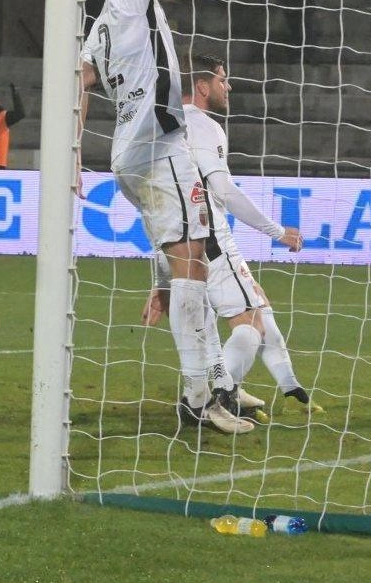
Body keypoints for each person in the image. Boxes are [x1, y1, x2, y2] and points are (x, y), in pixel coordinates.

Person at [79, 0, 252, 434]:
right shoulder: (127, 4)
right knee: (194, 267)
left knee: (189, 264)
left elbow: (80, 80)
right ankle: (199, 399)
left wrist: (73, 147)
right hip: (158, 145)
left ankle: (216, 381)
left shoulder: (98, 28)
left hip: (127, 153)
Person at [142, 54, 321, 419]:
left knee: (254, 305)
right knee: (250, 320)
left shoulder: (164, 127)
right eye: (223, 79)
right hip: (209, 237)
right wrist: (276, 232)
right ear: (203, 86)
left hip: (174, 236)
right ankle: (219, 397)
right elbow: (222, 190)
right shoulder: (203, 125)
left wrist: (161, 276)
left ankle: (280, 385)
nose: (229, 86)